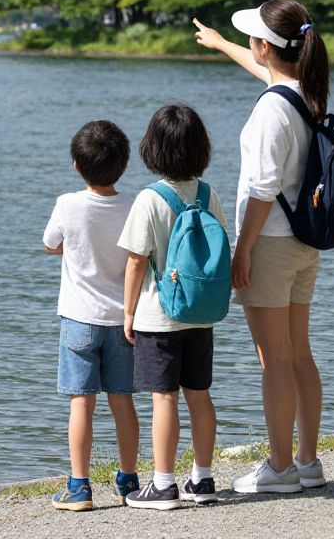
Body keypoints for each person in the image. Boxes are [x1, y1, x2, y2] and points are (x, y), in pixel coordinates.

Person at [193, 0, 329, 494]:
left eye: (252, 38)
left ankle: (280, 467)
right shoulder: (306, 92)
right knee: (299, 354)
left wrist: (242, 249)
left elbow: (262, 189)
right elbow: (266, 73)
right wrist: (222, 44)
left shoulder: (272, 110)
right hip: (304, 243)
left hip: (270, 244)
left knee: (274, 359)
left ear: (267, 46)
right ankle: (307, 461)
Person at [118, 104, 227, 510]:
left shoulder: (150, 199)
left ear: (153, 148)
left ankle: (163, 485)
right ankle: (202, 479)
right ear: (201, 148)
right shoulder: (208, 194)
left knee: (164, 399)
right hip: (200, 314)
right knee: (200, 396)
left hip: (159, 317)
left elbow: (136, 261)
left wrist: (128, 313)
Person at [42, 120, 141, 511]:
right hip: (123, 319)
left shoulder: (67, 204)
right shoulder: (134, 206)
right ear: (124, 164)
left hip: (79, 319)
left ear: (76, 165)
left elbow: (51, 244)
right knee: (123, 402)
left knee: (81, 404)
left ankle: (79, 486)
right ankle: (129, 480)